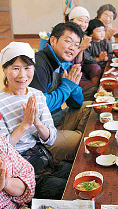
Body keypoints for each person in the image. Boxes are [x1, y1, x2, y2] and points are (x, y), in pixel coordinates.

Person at [0, 41, 72, 200]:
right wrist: (25, 125)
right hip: (18, 166)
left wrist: (37, 122)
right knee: (66, 190)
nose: (22, 75)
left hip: (43, 156)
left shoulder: (37, 95)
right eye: (16, 68)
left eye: (27, 68)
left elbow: (51, 139)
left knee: (78, 175)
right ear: (4, 69)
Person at [29, 22, 92, 161]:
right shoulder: (39, 64)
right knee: (83, 142)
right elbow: (40, 107)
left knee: (89, 108)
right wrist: (67, 86)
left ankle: (67, 153)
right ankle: (56, 157)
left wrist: (73, 86)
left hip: (56, 120)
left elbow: (76, 104)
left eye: (76, 45)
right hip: (41, 134)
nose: (72, 48)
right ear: (53, 40)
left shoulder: (63, 63)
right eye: (68, 41)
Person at [66, 6, 101, 100]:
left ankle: (94, 91)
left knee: (95, 69)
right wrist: (80, 47)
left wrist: (81, 49)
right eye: (80, 20)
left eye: (86, 22)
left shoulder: (81, 36)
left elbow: (79, 62)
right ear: (71, 20)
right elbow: (66, 59)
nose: (83, 24)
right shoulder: (67, 35)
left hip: (77, 67)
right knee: (92, 91)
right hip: (66, 71)